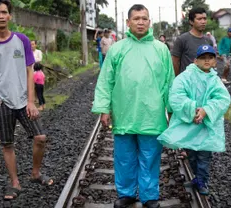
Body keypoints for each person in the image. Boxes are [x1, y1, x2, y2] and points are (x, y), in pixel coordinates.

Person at [91, 4, 174, 208]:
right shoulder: (117, 49)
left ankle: (149, 196)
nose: (140, 22)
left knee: (150, 157)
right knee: (124, 157)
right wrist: (104, 108)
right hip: (124, 112)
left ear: (149, 22)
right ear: (128, 22)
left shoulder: (161, 49)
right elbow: (106, 81)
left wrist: (172, 109)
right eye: (136, 18)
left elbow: (169, 82)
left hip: (152, 114)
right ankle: (126, 193)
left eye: (144, 18)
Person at [0, 0, 53, 201]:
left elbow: (29, 71)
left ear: (10, 16)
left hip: (23, 100)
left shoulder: (22, 40)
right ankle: (15, 183)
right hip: (1, 102)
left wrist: (31, 100)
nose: (1, 16)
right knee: (7, 143)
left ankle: (35, 173)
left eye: (4, 12)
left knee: (40, 137)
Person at [157, 44, 231, 196]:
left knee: (204, 155)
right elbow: (176, 96)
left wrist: (206, 110)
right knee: (191, 153)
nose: (206, 61)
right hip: (190, 124)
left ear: (215, 61)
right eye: (202, 58)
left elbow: (223, 98)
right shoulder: (185, 77)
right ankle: (197, 177)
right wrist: (192, 110)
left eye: (210, 58)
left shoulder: (215, 80)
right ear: (195, 61)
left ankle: (202, 180)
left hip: (207, 125)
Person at [172, 7, 212, 76]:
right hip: (187, 83)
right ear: (191, 21)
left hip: (205, 82)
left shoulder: (208, 40)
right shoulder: (182, 40)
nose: (203, 22)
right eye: (199, 19)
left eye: (204, 19)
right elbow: (175, 63)